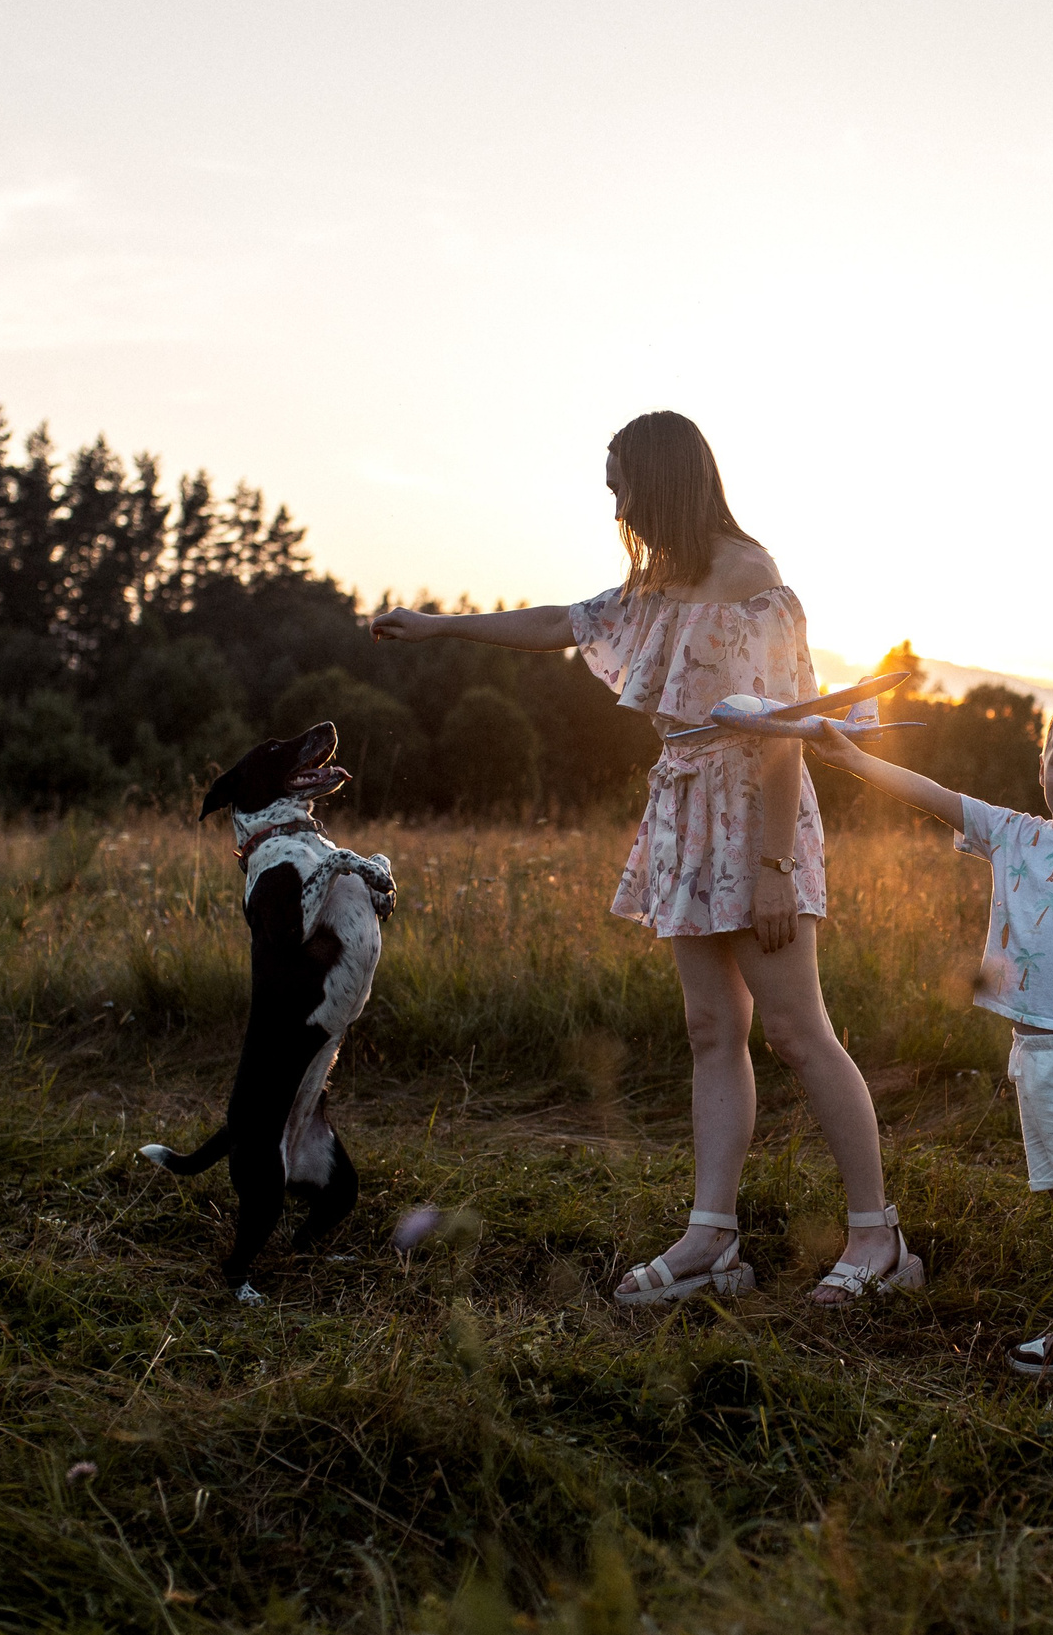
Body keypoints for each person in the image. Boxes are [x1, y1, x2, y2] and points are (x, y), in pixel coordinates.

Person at [369, 411, 920, 1306]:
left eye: (623, 483)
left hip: (754, 816)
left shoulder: (754, 577)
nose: (616, 502)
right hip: (684, 814)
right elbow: (560, 620)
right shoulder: (653, 582)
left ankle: (877, 1238)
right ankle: (714, 1238)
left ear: (664, 479)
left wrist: (778, 866)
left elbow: (786, 731)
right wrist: (436, 625)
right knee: (712, 1030)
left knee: (797, 1029)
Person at [810, 697, 1053, 1403]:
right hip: (1036, 1055)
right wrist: (854, 758)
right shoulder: (1015, 835)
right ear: (1041, 764)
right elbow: (934, 796)